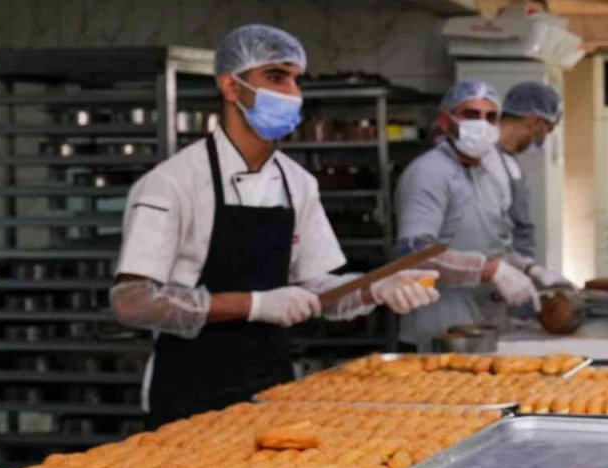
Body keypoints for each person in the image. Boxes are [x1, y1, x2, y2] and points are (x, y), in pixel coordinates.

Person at [111, 25, 440, 427]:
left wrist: (375, 287)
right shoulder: (172, 183)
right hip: (187, 392)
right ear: (231, 87)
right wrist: (254, 305)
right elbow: (133, 301)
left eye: (295, 80)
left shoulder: (298, 183)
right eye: (275, 77)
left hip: (272, 390)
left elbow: (315, 289)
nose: (291, 92)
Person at [396, 80, 569, 350]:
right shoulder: (429, 173)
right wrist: (492, 271)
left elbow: (492, 245)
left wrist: (528, 269)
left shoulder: (489, 176)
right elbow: (415, 255)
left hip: (484, 323)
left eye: (490, 117)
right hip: (441, 327)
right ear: (445, 121)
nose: (482, 124)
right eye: (471, 114)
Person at [494, 81, 562, 263]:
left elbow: (520, 225)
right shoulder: (485, 162)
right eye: (547, 129)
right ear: (535, 122)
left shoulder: (510, 162)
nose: (544, 138)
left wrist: (527, 267)